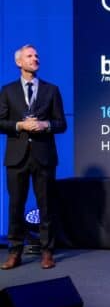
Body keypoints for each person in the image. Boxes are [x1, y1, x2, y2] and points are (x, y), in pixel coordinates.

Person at [0, 44, 67, 270]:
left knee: (46, 206)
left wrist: (44, 125)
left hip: (44, 156)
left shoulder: (51, 90)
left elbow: (61, 124)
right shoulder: (7, 91)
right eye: (29, 56)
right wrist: (20, 125)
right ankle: (14, 252)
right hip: (16, 158)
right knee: (15, 206)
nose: (35, 58)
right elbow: (0, 122)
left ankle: (47, 252)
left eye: (36, 55)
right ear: (19, 62)